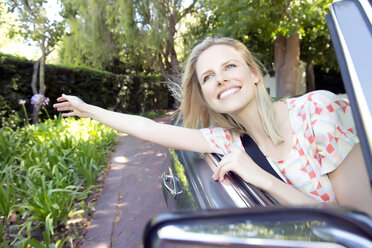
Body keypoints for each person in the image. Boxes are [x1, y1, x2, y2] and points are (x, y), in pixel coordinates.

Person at [53, 37, 372, 216]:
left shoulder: (319, 111)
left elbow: (360, 227)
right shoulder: (225, 141)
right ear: (206, 96)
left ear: (254, 74)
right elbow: (149, 129)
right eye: (208, 77)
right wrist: (88, 109)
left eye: (229, 66)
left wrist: (265, 181)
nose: (220, 78)